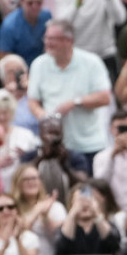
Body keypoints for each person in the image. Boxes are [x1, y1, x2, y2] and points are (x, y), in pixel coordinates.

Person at [27, 20, 112, 164]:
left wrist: (75, 102)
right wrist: (45, 117)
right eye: (46, 38)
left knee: (87, 186)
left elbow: (104, 97)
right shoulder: (39, 64)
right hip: (56, 145)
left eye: (53, 39)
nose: (47, 43)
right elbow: (33, 101)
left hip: (88, 144)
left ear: (69, 41)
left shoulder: (92, 62)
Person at [10, 163, 66, 255]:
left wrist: (45, 217)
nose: (31, 182)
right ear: (18, 183)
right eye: (26, 179)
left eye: (35, 178)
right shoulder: (9, 208)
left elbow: (60, 237)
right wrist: (36, 211)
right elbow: (14, 234)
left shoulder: (54, 206)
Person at [55, 184, 121, 255]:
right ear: (71, 204)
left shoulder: (107, 225)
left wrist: (96, 213)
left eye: (88, 200)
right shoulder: (64, 228)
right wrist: (72, 214)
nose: (85, 205)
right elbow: (61, 248)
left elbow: (114, 246)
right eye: (79, 201)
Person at [0, 0, 52, 66]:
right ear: (21, 2)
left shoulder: (47, 17)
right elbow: (4, 57)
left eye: (39, 3)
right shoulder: (9, 26)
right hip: (19, 69)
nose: (35, 7)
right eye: (30, 3)